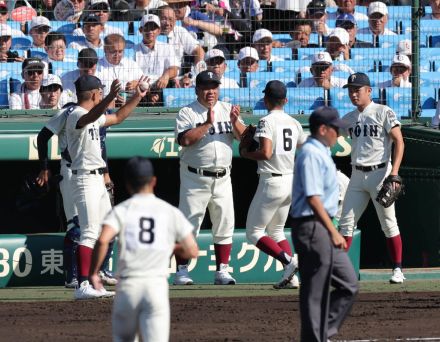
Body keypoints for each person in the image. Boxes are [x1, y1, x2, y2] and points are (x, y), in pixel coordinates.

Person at [89, 156, 199, 341]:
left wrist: (93, 273)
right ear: (153, 181)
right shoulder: (169, 211)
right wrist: (168, 247)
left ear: (128, 184)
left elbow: (102, 240)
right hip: (156, 286)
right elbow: (192, 251)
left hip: (128, 287)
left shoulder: (122, 209)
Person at [66, 74, 150, 299]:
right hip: (84, 178)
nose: (102, 95)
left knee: (104, 231)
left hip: (97, 179)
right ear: (94, 94)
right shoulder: (76, 113)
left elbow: (119, 117)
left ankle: (93, 280)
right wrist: (111, 97)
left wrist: (137, 96)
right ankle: (82, 285)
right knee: (90, 232)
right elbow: (91, 115)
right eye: (100, 92)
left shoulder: (94, 115)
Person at [289, 106, 358, 342]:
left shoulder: (321, 151)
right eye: (335, 129)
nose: (338, 133)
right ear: (322, 129)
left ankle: (322, 333)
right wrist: (333, 231)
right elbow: (312, 197)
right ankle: (315, 338)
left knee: (348, 282)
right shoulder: (310, 153)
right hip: (312, 226)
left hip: (321, 225)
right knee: (315, 290)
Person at [174, 70, 246, 285]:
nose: (210, 91)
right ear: (197, 90)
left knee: (225, 223)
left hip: (223, 176)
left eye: (214, 87)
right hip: (195, 177)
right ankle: (181, 271)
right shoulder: (187, 112)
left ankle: (222, 270)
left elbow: (244, 139)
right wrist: (206, 124)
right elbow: (184, 141)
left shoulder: (227, 109)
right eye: (206, 87)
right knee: (188, 225)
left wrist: (235, 122)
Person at [338, 72, 406, 284]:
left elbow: (399, 141)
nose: (353, 94)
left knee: (388, 223)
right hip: (357, 175)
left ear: (369, 91)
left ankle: (397, 269)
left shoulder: (383, 111)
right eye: (350, 90)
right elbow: (330, 134)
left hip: (379, 173)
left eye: (357, 90)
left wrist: (394, 172)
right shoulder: (349, 117)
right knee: (345, 223)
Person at [240, 80, 307, 289]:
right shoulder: (294, 122)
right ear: (285, 100)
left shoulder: (266, 120)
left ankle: (288, 261)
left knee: (254, 232)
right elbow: (303, 148)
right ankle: (292, 277)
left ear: (266, 99)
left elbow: (266, 153)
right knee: (277, 231)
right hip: (290, 179)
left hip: (272, 180)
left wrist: (245, 153)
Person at [134, 14, 179, 90]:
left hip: (161, 89)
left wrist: (166, 75)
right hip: (139, 90)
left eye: (153, 28)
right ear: (140, 30)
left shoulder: (167, 47)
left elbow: (174, 69)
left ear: (159, 31)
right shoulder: (133, 50)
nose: (150, 31)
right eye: (147, 28)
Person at [95, 34, 144, 99]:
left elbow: (146, 84)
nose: (117, 55)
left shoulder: (131, 64)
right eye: (113, 51)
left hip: (129, 104)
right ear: (105, 49)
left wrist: (138, 84)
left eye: (120, 51)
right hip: (104, 106)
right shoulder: (96, 67)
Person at [159, 5, 205, 73]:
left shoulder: (180, 31)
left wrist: (195, 73)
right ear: (157, 19)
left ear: (175, 20)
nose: (167, 23)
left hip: (178, 78)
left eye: (170, 19)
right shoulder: (150, 34)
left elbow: (199, 51)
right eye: (164, 19)